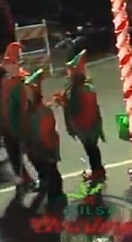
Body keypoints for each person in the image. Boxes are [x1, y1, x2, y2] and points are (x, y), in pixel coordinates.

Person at [57, 51, 106, 181]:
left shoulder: (76, 92)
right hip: (92, 125)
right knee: (93, 149)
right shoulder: (87, 88)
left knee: (91, 150)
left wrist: (63, 103)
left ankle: (97, 171)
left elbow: (74, 109)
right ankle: (98, 169)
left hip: (85, 127)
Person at [0, 42, 34, 186]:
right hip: (7, 123)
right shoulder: (6, 80)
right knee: (13, 152)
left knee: (31, 152)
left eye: (9, 63)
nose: (5, 66)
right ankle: (24, 177)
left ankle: (39, 179)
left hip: (19, 124)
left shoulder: (23, 81)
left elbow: (27, 104)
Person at [24, 68, 64, 209]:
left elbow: (47, 133)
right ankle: (50, 190)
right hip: (36, 149)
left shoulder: (43, 112)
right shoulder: (30, 110)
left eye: (29, 93)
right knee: (46, 172)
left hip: (45, 149)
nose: (26, 95)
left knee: (52, 172)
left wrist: (47, 151)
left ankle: (57, 196)